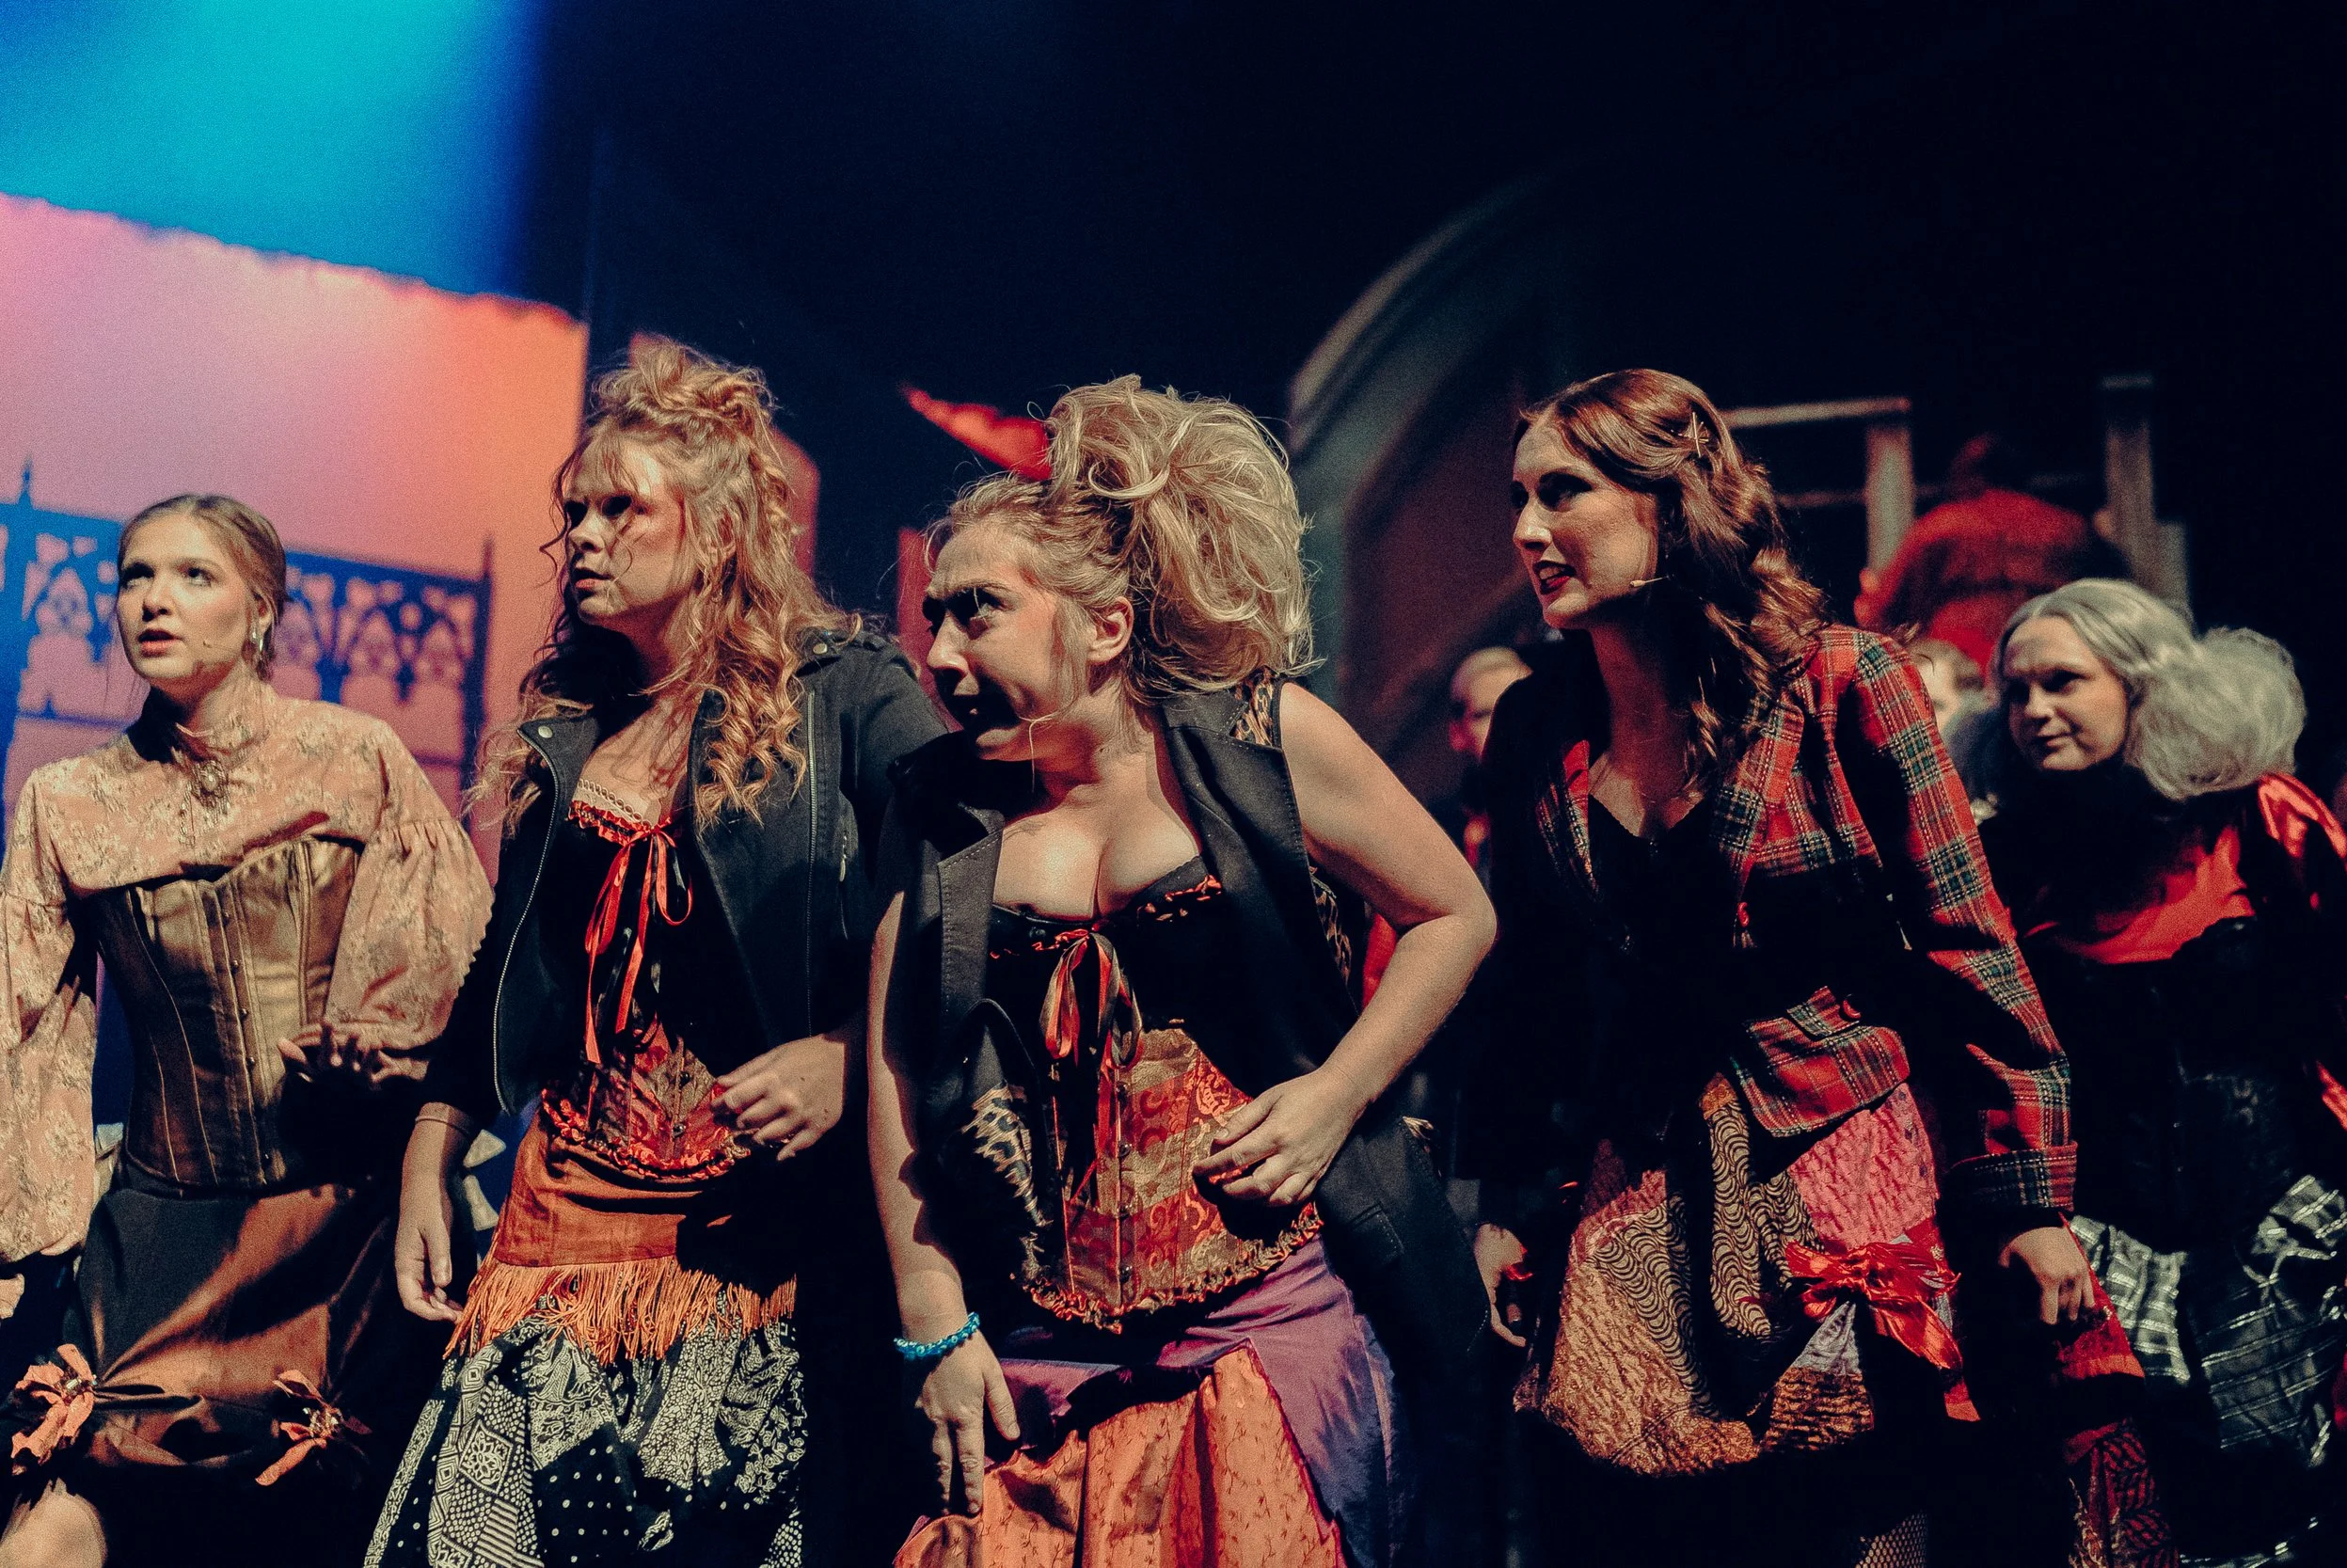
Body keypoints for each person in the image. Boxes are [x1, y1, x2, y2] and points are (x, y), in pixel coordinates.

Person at [1467, 371, 2156, 1567]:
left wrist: (2027, 1197)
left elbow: (1968, 940)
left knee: (1860, 1513)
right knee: (1650, 1516)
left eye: (1563, 491)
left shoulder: (1843, 682)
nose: (1527, 530)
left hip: (1837, 1148)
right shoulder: (1539, 724)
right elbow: (1527, 988)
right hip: (1643, 1174)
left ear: (1669, 499)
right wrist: (1502, 1197)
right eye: (1519, 496)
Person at [866, 377, 1494, 1567]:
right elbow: (901, 1063)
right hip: (1041, 1328)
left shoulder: (1259, 738)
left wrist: (1334, 1092)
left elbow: (1452, 911)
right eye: (934, 615)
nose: (940, 652)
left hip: (1269, 1304)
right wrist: (929, 1314)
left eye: (979, 611)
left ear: (1100, 626)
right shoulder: (942, 806)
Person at [366, 338, 943, 1568]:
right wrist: (432, 1149)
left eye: (620, 505)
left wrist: (853, 1052)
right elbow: (505, 975)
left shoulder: (848, 690)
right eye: (572, 509)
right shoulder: (573, 729)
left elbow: (964, 889)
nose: (580, 532)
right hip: (559, 1213)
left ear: (719, 526)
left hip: (751, 1224)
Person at [0, 495, 492, 1566]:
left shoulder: (354, 756)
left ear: (260, 609)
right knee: (54, 1523)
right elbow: (21, 1025)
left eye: (192, 575)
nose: (153, 600)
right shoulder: (68, 800)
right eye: (134, 576)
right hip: (163, 1224)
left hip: (343, 1215)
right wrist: (24, 1220)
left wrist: (382, 1047)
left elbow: (450, 956)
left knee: (313, 1518)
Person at [1978, 578, 2347, 1565]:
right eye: (2014, 692)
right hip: (2100, 1234)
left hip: (2280, 1219)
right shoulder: (2012, 854)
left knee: (2279, 1492)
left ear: (2144, 686)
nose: (2033, 712)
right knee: (2127, 1509)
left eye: (2062, 681)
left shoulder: (2259, 817)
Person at [1855, 432, 2116, 670]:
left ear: (1961, 476)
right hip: (2045, 652)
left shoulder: (1941, 526)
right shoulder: (2069, 527)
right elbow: (2109, 595)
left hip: (1962, 664)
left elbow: (1884, 612)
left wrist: (1869, 600)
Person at [1431, 646, 1533, 876]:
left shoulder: (1581, 806)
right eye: (1487, 714)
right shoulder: (1433, 832)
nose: (1508, 723)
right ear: (1457, 732)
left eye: (1522, 708)